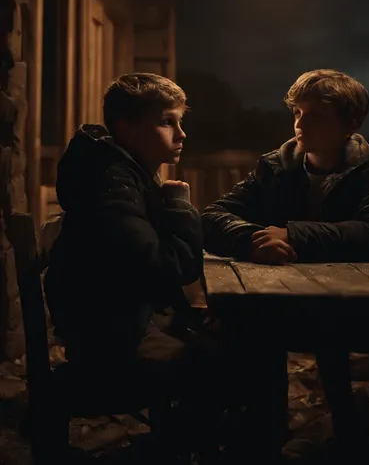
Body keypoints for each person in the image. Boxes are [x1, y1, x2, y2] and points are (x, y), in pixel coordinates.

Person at [44, 73, 285, 462]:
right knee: (251, 363)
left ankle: (186, 442)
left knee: (249, 341)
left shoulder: (122, 174)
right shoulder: (112, 185)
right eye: (167, 122)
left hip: (124, 324)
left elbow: (142, 271)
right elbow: (169, 266)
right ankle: (184, 446)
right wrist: (179, 205)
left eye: (180, 121)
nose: (181, 134)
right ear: (126, 128)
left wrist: (185, 313)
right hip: (114, 343)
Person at [202, 68, 369, 445]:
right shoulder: (275, 167)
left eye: (316, 115)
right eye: (297, 112)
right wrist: (248, 239)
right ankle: (266, 436)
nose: (300, 123)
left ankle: (353, 434)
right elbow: (211, 216)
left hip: (348, 300)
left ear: (351, 123)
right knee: (254, 339)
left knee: (354, 378)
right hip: (280, 298)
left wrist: (293, 233)